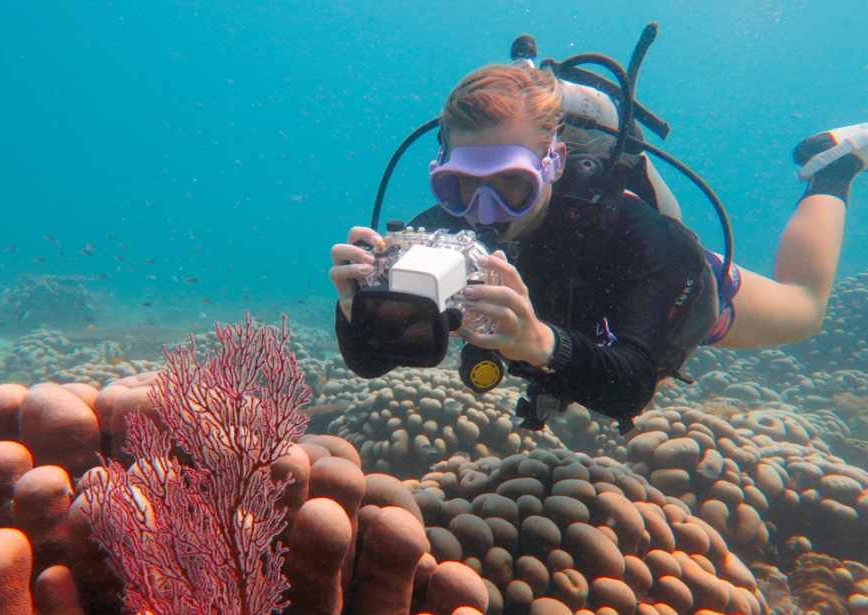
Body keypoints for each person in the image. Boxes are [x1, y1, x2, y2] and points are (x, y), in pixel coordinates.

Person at [329, 63, 866, 432]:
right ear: (439, 177)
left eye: (512, 185)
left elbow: (631, 386)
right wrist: (358, 310)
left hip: (663, 294)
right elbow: (373, 365)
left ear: (553, 164)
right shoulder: (436, 235)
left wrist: (539, 343)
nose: (483, 209)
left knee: (805, 310)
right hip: (578, 331)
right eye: (461, 185)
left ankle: (830, 171)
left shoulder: (633, 233)